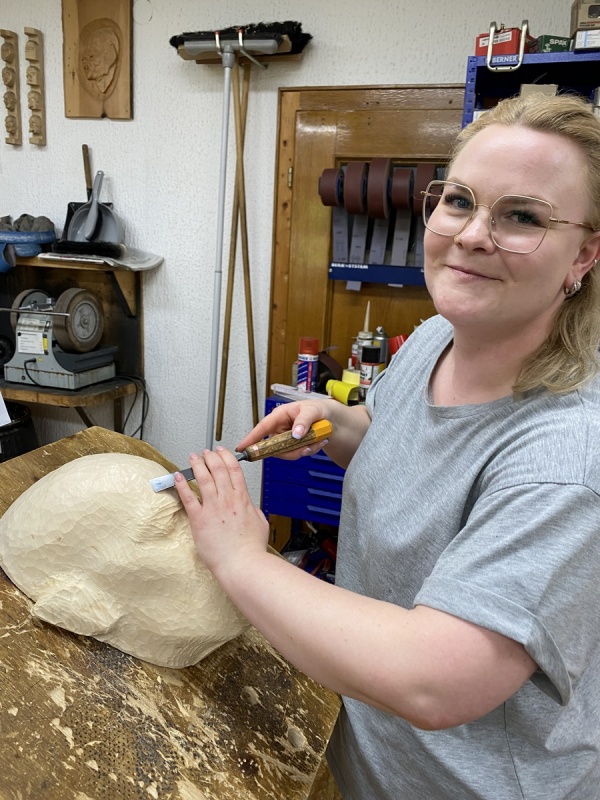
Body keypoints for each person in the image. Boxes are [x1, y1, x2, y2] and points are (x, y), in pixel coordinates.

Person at [175, 93, 600, 799]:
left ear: (583, 253)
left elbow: (434, 679)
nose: (472, 235)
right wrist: (332, 423)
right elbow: (396, 442)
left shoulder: (566, 459)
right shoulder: (438, 338)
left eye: (522, 216)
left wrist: (239, 557)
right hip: (370, 757)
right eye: (459, 201)